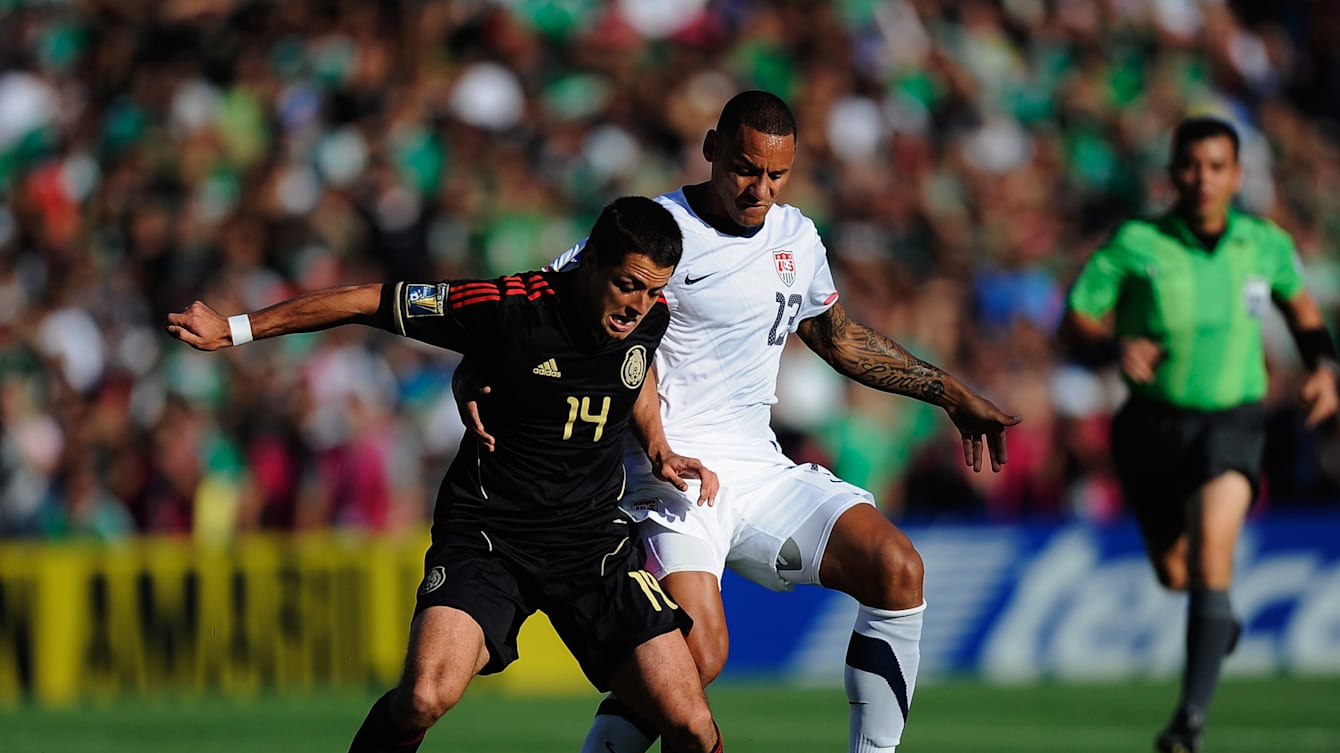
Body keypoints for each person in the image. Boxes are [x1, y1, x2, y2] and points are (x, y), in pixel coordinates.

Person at [460, 90, 1020, 753]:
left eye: (776, 175)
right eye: (745, 169)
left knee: (897, 567)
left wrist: (950, 392)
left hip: (760, 467)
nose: (759, 189)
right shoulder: (655, 231)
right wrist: (475, 369)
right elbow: (540, 301)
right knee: (697, 656)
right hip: (669, 478)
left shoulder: (797, 237)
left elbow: (839, 340)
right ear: (712, 150)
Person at [166, 196, 727, 753]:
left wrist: (657, 446)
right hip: (490, 539)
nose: (640, 305)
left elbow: (635, 374)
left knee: (692, 726)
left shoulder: (648, 318)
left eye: (655, 289)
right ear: (592, 260)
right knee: (424, 697)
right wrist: (234, 330)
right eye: (629, 284)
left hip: (592, 545)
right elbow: (369, 301)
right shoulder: (507, 307)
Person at [1060, 116, 1339, 753]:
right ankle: (1217, 621)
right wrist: (1113, 345)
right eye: (1191, 165)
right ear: (1172, 173)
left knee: (1215, 557)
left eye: (1217, 166)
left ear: (1237, 175)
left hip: (1232, 421)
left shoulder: (1263, 245)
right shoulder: (1136, 243)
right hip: (1150, 429)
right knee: (1176, 572)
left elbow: (1304, 312)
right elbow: (1074, 321)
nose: (1203, 178)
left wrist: (1324, 368)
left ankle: (1188, 723)